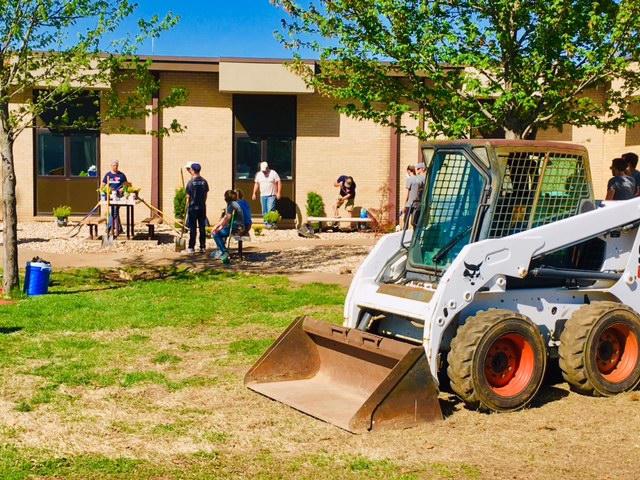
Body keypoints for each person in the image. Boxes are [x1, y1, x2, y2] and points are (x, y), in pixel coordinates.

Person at [212, 189, 245, 262]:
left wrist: (219, 229)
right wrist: (218, 225)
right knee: (217, 231)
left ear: (227, 198)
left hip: (237, 227)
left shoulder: (232, 205)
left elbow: (227, 218)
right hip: (238, 226)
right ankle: (222, 251)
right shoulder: (234, 204)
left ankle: (224, 252)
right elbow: (225, 218)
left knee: (215, 234)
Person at [183, 163, 209, 253]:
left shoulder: (190, 183)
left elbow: (188, 196)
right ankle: (203, 247)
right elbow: (206, 195)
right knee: (202, 227)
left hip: (193, 208)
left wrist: (187, 206)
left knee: (193, 228)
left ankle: (191, 247)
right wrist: (202, 202)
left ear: (193, 171)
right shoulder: (204, 181)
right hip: (202, 207)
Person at [101, 160, 128, 236]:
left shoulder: (121, 175)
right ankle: (119, 229)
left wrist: (123, 188)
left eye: (116, 165)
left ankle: (109, 228)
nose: (115, 167)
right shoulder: (108, 175)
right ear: (111, 166)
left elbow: (126, 185)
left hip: (119, 196)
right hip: (111, 196)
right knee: (115, 211)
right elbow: (102, 185)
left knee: (115, 211)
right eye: (114, 166)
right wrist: (106, 190)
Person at [252, 161, 281, 228]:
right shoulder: (259, 174)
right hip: (263, 195)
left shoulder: (273, 173)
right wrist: (254, 193)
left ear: (268, 168)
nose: (264, 172)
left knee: (270, 210)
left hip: (272, 195)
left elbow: (279, 182)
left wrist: (278, 192)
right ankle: (266, 224)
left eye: (265, 170)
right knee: (264, 210)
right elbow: (256, 184)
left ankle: (272, 224)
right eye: (262, 171)